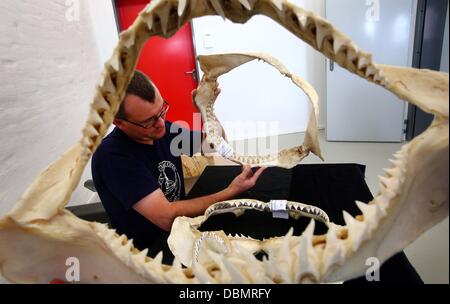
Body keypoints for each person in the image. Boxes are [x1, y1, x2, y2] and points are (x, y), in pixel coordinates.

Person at [91, 70, 265, 262]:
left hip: (183, 225)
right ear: (119, 122)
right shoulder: (113, 157)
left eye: (161, 111)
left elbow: (216, 143)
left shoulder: (161, 129)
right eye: (149, 120)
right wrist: (231, 191)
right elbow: (165, 218)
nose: (161, 123)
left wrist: (206, 110)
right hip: (148, 251)